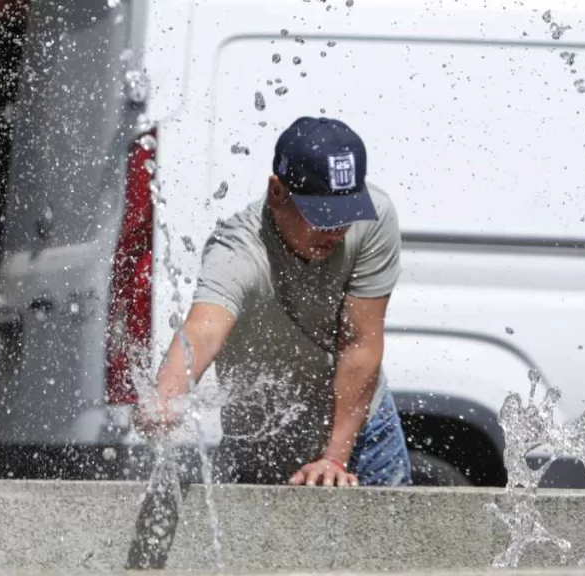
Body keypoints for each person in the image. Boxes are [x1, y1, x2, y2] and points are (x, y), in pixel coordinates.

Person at [136, 116, 412, 488]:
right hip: (265, 436)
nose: (336, 231)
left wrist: (334, 458)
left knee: (394, 544)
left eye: (345, 216)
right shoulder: (237, 251)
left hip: (361, 428)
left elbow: (360, 343)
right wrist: (164, 399)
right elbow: (203, 331)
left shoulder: (374, 220)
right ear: (277, 193)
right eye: (323, 216)